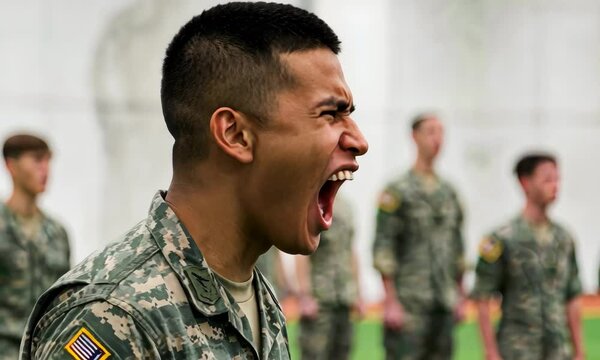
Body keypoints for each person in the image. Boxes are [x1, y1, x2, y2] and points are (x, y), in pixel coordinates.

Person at [20, 2, 368, 359]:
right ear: (235, 134)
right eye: (331, 113)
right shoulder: (112, 315)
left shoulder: (256, 297)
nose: (359, 141)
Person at [472, 153, 584, 360]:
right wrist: (490, 351)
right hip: (517, 349)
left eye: (557, 179)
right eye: (547, 179)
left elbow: (572, 296)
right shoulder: (501, 239)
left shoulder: (564, 238)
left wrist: (579, 350)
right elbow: (482, 297)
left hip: (558, 350)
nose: (555, 185)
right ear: (525, 183)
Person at [372, 113, 465, 360]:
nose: (437, 139)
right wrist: (391, 301)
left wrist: (459, 295)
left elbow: (458, 248)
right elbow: (383, 247)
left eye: (441, 133)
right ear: (414, 137)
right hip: (409, 304)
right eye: (431, 132)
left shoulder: (449, 193)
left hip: (443, 303)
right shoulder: (397, 191)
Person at [0, 134, 70, 360]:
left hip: (46, 352)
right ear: (11, 165)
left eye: (48, 161)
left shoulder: (57, 232)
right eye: (37, 160)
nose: (46, 169)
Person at [296, 194, 365, 360]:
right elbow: (302, 253)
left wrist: (358, 293)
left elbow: (350, 251)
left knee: (342, 353)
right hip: (320, 301)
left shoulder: (347, 207)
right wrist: (305, 296)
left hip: (344, 299)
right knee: (314, 354)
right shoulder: (311, 205)